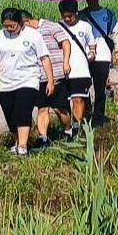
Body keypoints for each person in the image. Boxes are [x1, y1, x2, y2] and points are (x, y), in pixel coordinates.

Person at [0, 8, 55, 156]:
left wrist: (50, 80)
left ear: (20, 23)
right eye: (6, 26)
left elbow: (44, 58)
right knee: (11, 116)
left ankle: (22, 146)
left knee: (23, 112)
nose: (9, 29)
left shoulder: (33, 35)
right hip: (5, 82)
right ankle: (17, 141)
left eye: (12, 26)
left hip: (27, 80)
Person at [22, 10, 72, 150]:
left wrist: (66, 62)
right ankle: (43, 137)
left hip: (57, 75)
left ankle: (68, 128)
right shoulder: (25, 35)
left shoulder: (50, 26)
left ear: (27, 21)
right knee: (42, 108)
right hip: (38, 77)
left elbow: (66, 43)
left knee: (59, 108)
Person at [57, 0, 97, 140]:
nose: (67, 19)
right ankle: (68, 128)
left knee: (77, 99)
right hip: (62, 70)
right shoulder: (57, 27)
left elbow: (92, 46)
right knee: (64, 103)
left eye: (70, 16)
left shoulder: (85, 27)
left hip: (80, 70)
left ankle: (77, 127)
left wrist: (92, 54)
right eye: (64, 16)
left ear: (76, 13)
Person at [80, 0, 118, 125]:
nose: (90, 0)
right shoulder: (80, 15)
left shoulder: (108, 14)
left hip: (102, 55)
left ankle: (99, 115)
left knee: (100, 88)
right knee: (83, 86)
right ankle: (87, 112)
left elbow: (116, 32)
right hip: (84, 56)